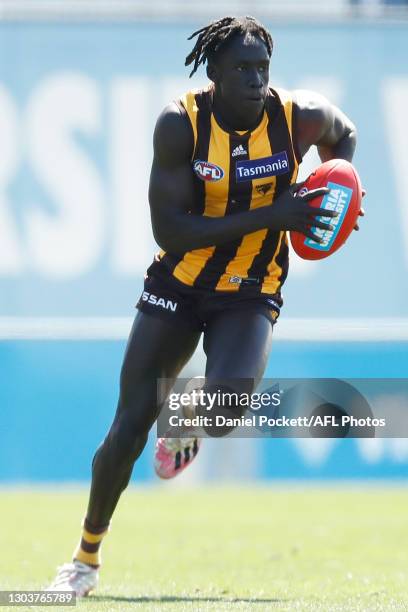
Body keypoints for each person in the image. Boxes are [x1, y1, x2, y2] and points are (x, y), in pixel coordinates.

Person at [45, 15, 363, 597]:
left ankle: (188, 417)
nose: (255, 80)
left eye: (262, 68)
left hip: (249, 289)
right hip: (180, 285)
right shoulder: (180, 125)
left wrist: (334, 188)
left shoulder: (297, 117)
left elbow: (345, 138)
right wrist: (278, 214)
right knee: (128, 427)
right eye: (241, 68)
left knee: (226, 409)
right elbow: (171, 231)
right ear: (212, 73)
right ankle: (84, 560)